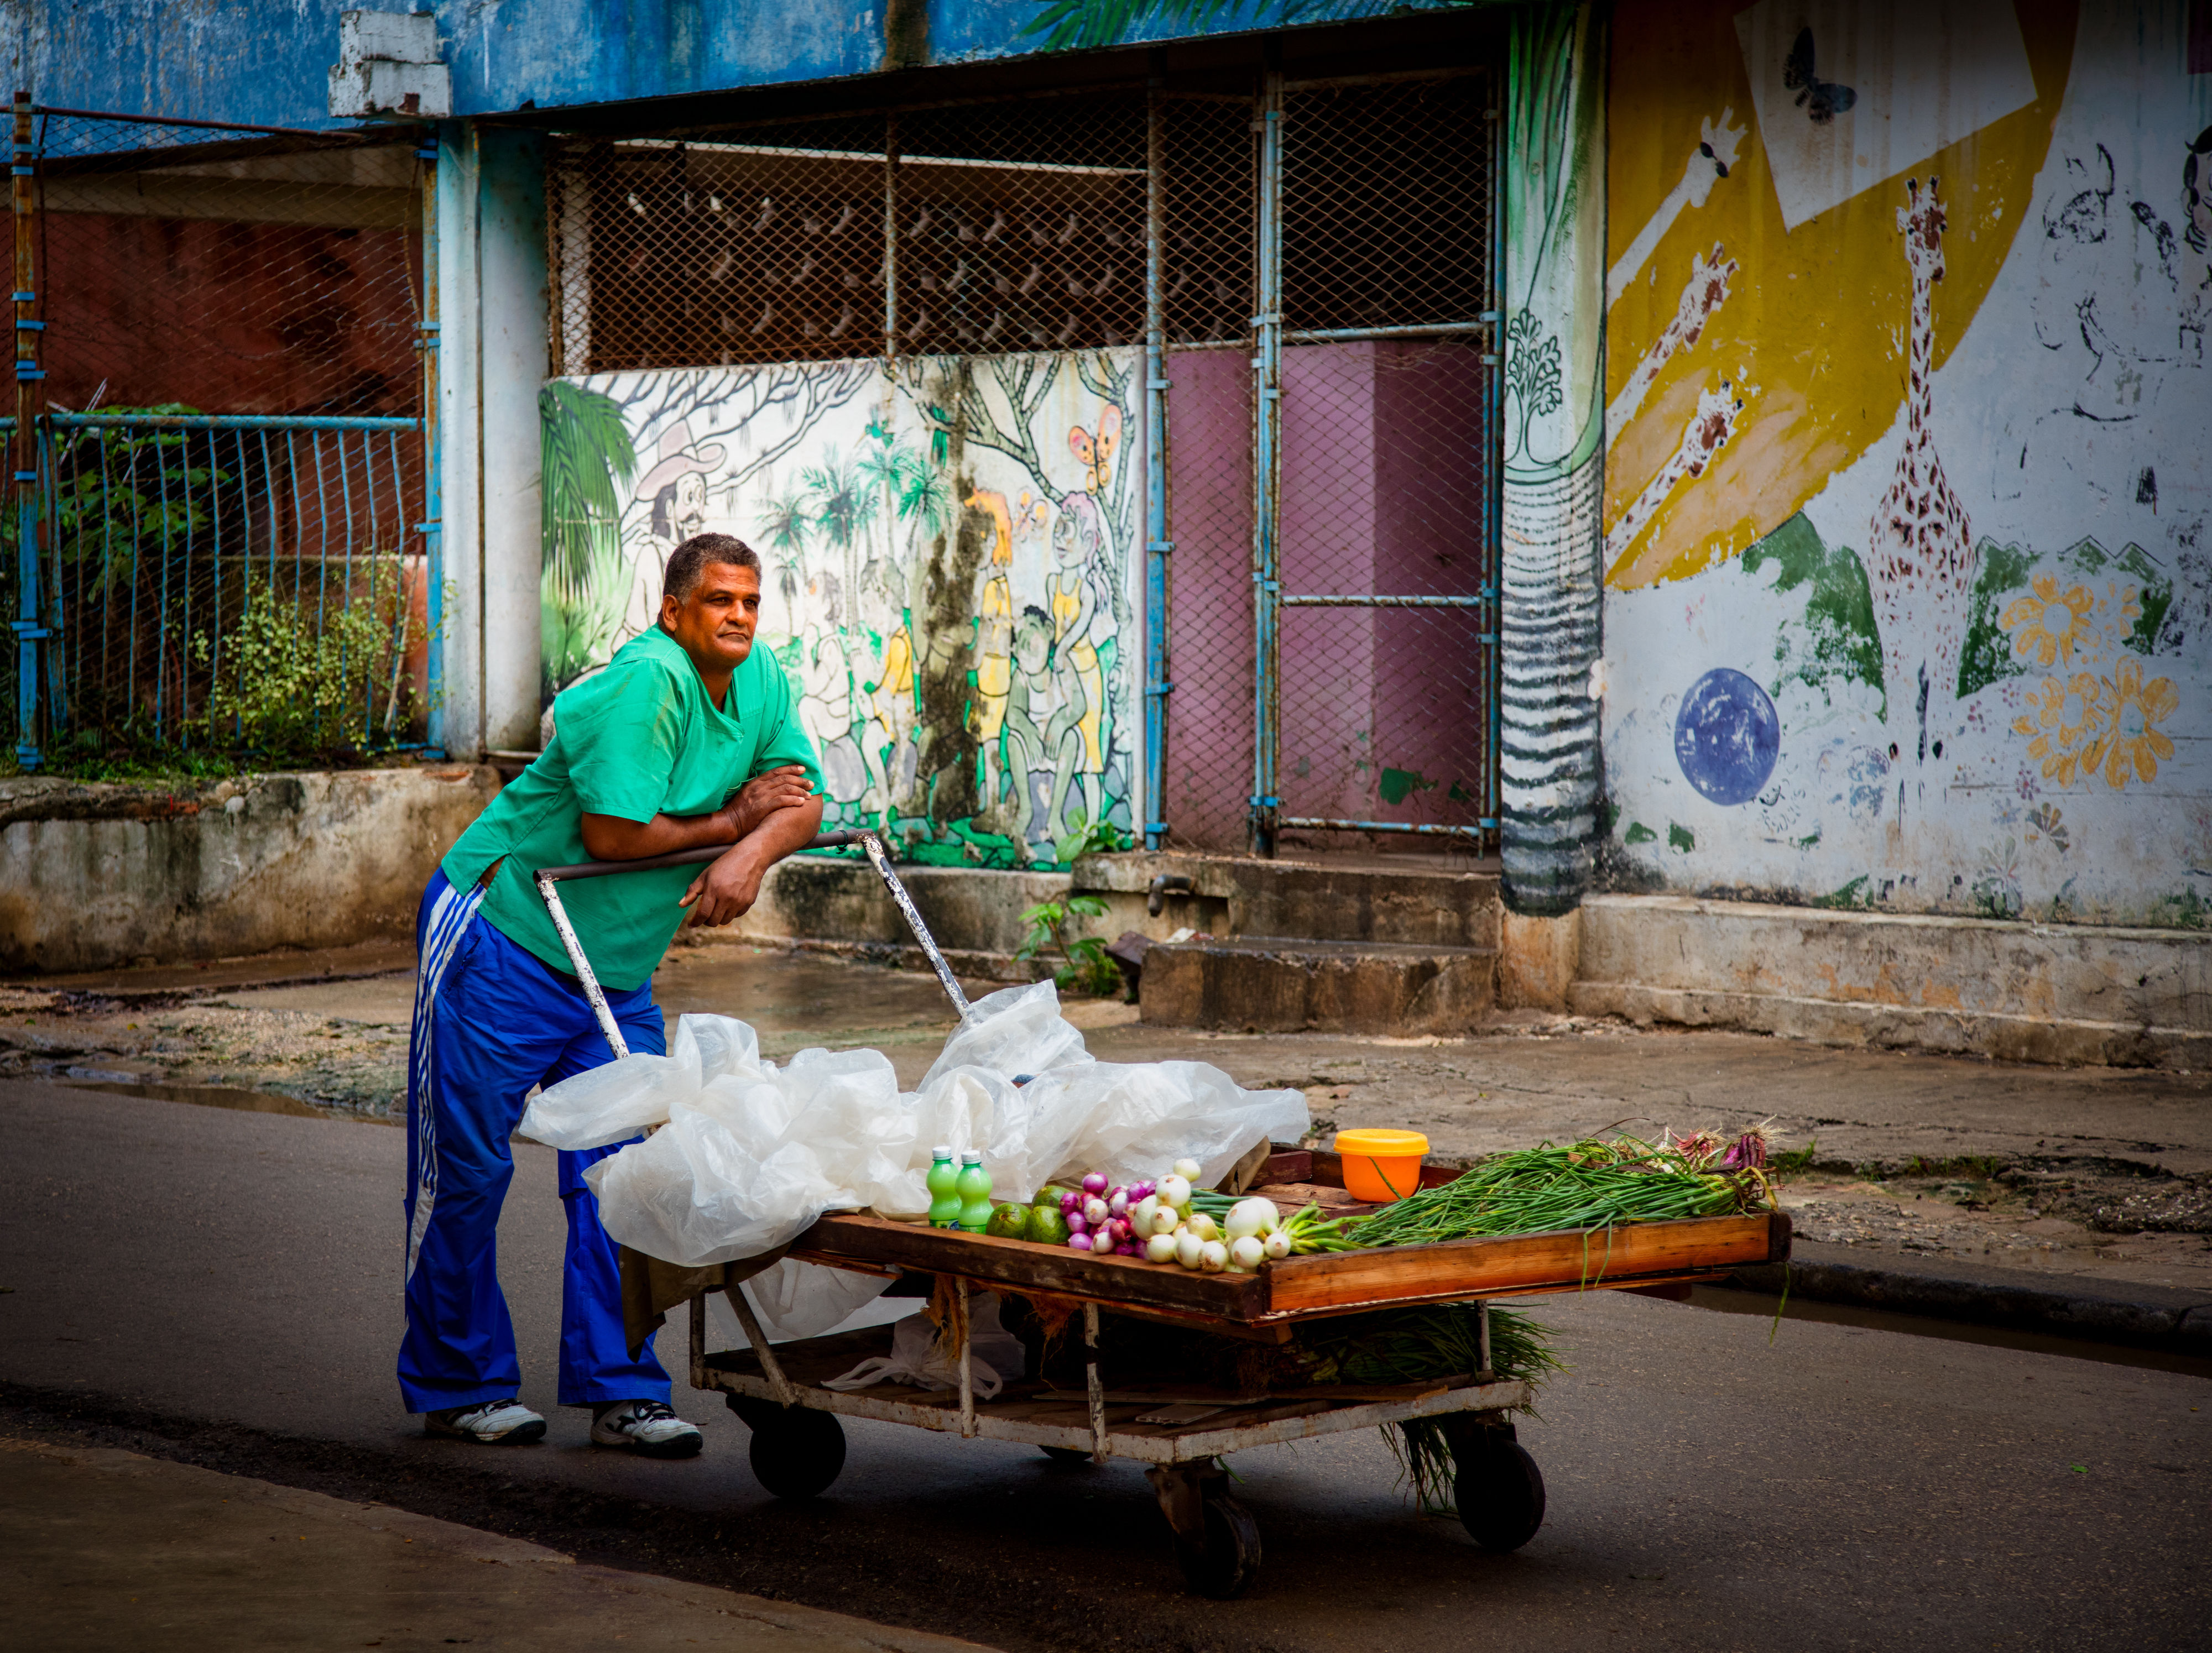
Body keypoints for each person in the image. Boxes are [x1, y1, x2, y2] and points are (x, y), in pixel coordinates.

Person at [400, 532, 823, 1455]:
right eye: (719, 600)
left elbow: (803, 799)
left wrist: (751, 854)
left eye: (751, 601)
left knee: (624, 1177)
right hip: (504, 932)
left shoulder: (760, 679)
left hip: (613, 969)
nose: (740, 617)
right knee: (467, 1170)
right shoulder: (650, 681)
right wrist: (734, 819)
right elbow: (613, 836)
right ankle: (458, 1382)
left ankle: (621, 1389)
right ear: (674, 610)